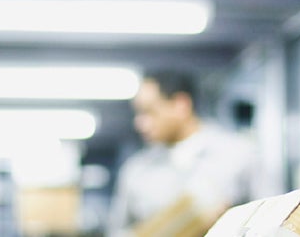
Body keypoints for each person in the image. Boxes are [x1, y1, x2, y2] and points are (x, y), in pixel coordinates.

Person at [106, 68, 260, 236]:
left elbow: (273, 225)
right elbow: (118, 231)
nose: (140, 123)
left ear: (181, 105)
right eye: (138, 114)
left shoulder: (240, 155)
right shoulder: (136, 170)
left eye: (149, 112)